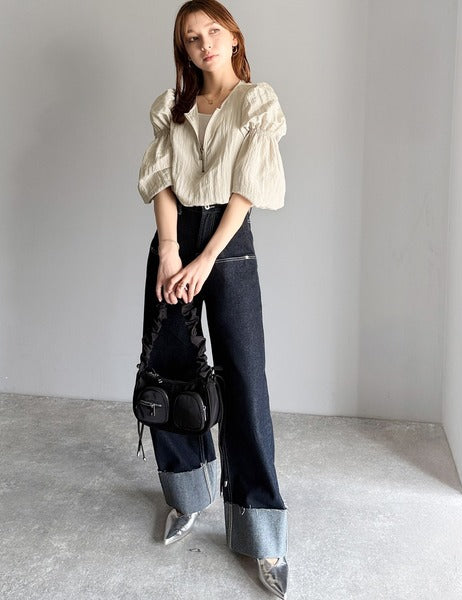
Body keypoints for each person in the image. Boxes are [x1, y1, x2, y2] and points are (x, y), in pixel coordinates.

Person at [137, 1, 288, 597]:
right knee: (170, 370)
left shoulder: (255, 103)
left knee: (244, 377)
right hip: (173, 243)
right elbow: (161, 181)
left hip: (227, 242)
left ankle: (262, 530)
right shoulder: (171, 107)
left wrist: (204, 259)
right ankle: (186, 494)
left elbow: (247, 188)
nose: (204, 44)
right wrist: (170, 251)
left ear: (233, 37)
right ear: (184, 48)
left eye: (213, 32)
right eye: (192, 37)